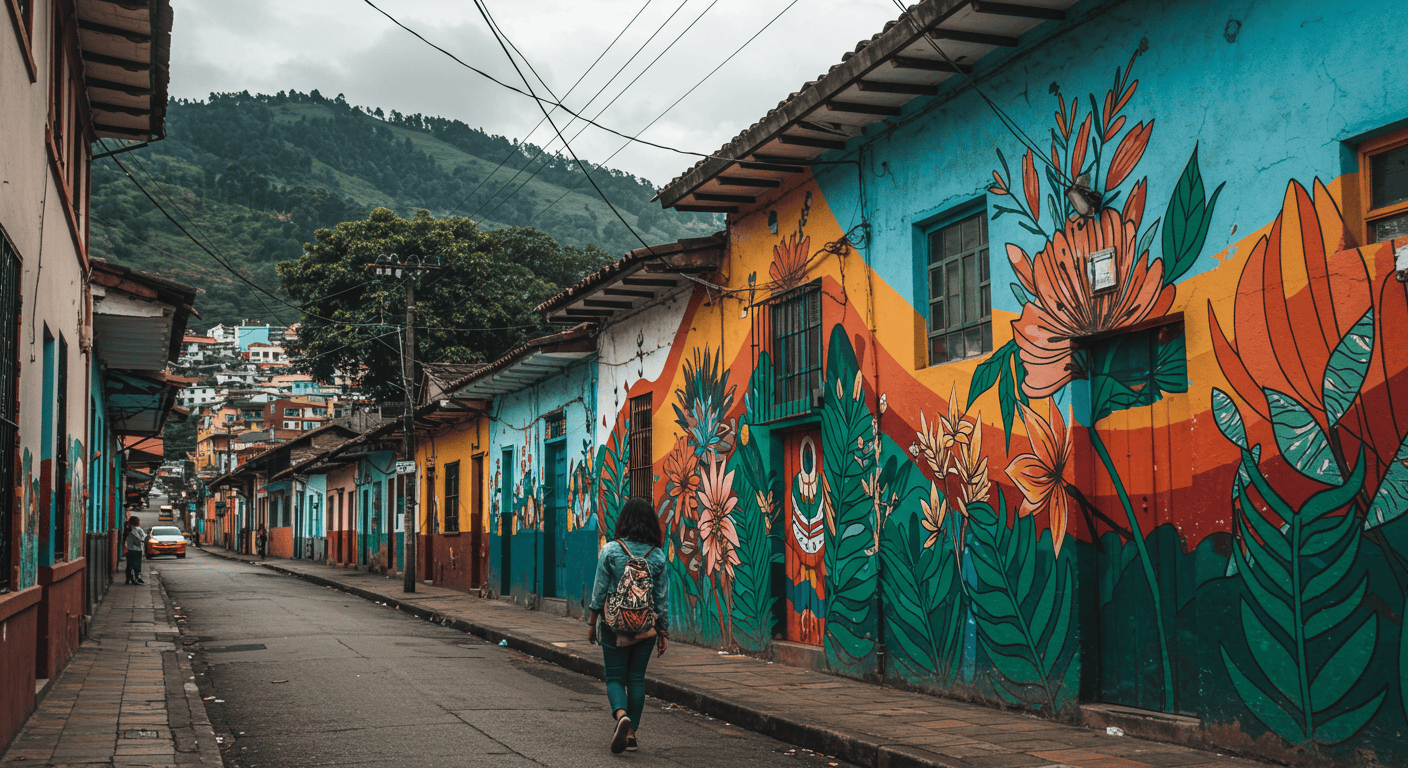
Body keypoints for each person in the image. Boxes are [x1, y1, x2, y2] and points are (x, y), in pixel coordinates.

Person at [586, 497, 669, 755]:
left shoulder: (611, 550)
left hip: (615, 625)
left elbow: (599, 591)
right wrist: (663, 632)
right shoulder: (657, 556)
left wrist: (592, 622)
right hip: (646, 628)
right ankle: (631, 734)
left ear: (623, 521)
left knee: (615, 678)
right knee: (636, 680)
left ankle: (621, 715)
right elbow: (662, 599)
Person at [123, 516, 147, 584]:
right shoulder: (137, 529)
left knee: (129, 564)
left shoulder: (127, 530)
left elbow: (124, 540)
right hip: (137, 550)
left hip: (129, 549)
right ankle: (136, 578)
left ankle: (128, 578)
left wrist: (124, 550)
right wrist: (144, 539)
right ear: (137, 523)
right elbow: (141, 539)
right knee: (137, 565)